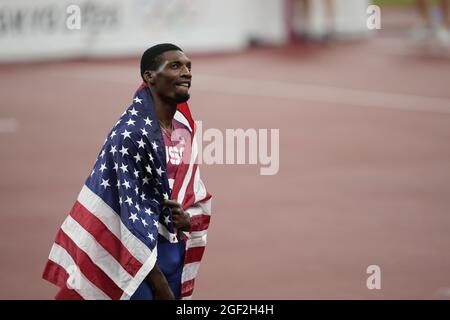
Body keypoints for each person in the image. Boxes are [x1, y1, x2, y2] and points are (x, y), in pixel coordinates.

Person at [42, 43, 212, 300]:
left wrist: (188, 220)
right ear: (150, 77)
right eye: (175, 66)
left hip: (171, 252)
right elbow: (130, 218)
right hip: (132, 261)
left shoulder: (182, 130)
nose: (186, 72)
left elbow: (192, 191)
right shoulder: (131, 136)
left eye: (188, 66)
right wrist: (159, 286)